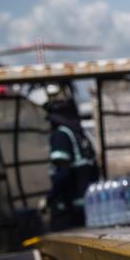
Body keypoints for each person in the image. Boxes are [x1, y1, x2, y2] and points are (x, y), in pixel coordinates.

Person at [44, 83, 98, 231]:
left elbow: (63, 173)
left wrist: (49, 197)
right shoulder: (79, 134)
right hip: (87, 207)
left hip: (69, 209)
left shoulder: (61, 135)